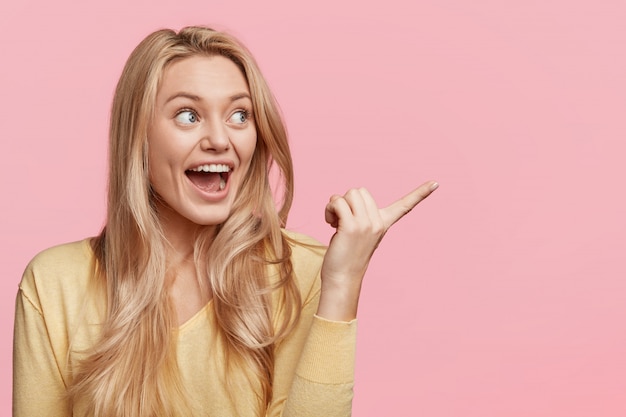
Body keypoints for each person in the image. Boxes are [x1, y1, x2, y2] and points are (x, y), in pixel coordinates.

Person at [12, 26, 438, 417]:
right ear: (138, 138)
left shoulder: (303, 272)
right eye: (188, 116)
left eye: (240, 115)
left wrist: (343, 281)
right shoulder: (54, 285)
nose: (220, 140)